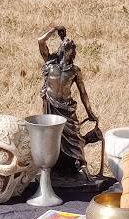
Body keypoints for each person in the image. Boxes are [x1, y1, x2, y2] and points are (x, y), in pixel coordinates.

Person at [38, 26, 102, 176]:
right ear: (62, 49)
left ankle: (80, 164)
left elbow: (83, 93)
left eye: (73, 49)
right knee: (52, 137)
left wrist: (90, 112)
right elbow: (40, 41)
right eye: (68, 48)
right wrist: (54, 29)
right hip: (51, 106)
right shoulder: (50, 63)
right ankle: (52, 167)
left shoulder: (75, 70)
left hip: (67, 108)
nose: (72, 52)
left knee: (74, 135)